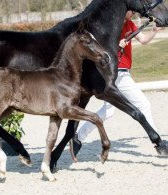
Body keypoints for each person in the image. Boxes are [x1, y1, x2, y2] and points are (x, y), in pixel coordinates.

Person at [70, 10, 165, 162]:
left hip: (122, 71)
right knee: (143, 104)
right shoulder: (112, 25)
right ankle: (158, 143)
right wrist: (118, 45)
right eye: (131, 10)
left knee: (108, 112)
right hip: (117, 73)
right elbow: (101, 46)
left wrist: (154, 31)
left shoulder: (130, 24)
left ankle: (77, 138)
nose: (133, 12)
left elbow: (144, 40)